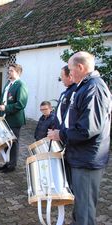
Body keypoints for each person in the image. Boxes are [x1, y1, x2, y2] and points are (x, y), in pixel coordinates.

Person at [48, 51, 111, 225]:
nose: (69, 74)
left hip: (87, 159)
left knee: (85, 210)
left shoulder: (94, 88)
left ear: (80, 67)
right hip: (80, 155)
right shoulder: (84, 86)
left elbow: (88, 129)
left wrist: (60, 134)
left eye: (70, 69)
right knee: (80, 206)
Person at [0, 63, 28, 173]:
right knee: (6, 142)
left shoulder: (21, 85)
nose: (9, 72)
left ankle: (12, 165)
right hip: (5, 118)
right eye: (8, 70)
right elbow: (3, 99)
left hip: (14, 119)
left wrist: (6, 108)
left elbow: (21, 104)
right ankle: (7, 162)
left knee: (13, 143)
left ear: (18, 72)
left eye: (11, 71)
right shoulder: (8, 83)